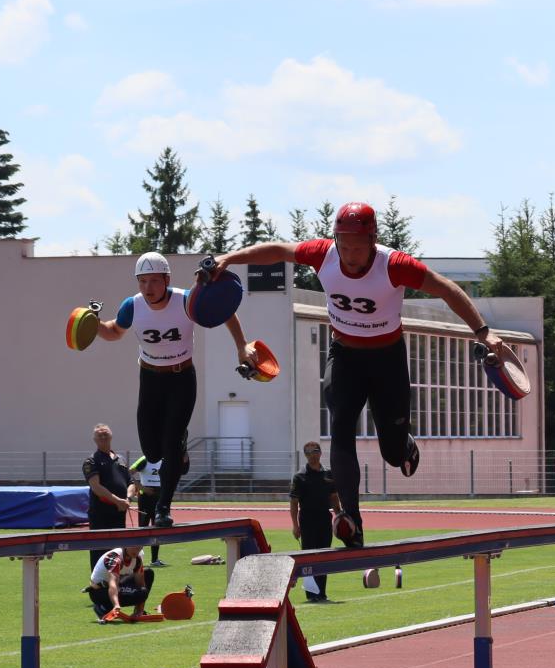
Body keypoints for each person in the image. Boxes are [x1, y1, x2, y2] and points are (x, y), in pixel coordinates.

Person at [205, 203, 510, 545]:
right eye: (344, 246)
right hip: (344, 355)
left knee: (392, 454)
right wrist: (228, 258)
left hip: (387, 360)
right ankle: (351, 516)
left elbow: (446, 288)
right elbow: (278, 250)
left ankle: (404, 446)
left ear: (373, 240)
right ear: (335, 239)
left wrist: (483, 332)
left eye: (357, 247)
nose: (349, 255)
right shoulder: (323, 254)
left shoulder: (394, 264)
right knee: (340, 427)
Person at [93, 251, 256, 527]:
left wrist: (241, 346)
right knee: (152, 451)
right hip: (150, 378)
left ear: (166, 280)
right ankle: (179, 449)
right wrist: (92, 324)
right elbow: (113, 330)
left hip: (181, 378)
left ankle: (163, 508)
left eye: (154, 281)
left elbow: (225, 312)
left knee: (169, 446)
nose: (148, 288)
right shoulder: (132, 305)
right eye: (142, 282)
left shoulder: (186, 300)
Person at [290, 441, 342, 602]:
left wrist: (339, 516)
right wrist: (295, 526)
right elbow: (294, 503)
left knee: (324, 555)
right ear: (305, 455)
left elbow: (333, 498)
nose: (313, 454)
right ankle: (311, 594)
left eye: (316, 451)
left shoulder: (328, 474)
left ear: (320, 453)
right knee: (309, 557)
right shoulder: (299, 476)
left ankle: (322, 593)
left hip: (324, 518)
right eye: (309, 452)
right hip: (307, 519)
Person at [84, 424, 131, 564]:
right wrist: (118, 501)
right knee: (100, 550)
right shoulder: (91, 461)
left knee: (118, 550)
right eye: (100, 435)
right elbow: (96, 487)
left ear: (111, 436)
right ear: (95, 439)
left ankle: (116, 581)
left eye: (106, 434)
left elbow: (131, 482)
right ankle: (97, 584)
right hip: (100, 514)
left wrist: (127, 499)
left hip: (119, 512)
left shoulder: (121, 459)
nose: (103, 437)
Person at [85, 544, 153, 622]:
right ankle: (103, 607)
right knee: (139, 592)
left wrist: (140, 611)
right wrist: (116, 605)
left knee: (148, 574)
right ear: (125, 545)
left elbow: (141, 584)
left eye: (139, 547)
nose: (137, 550)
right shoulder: (114, 557)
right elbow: (113, 583)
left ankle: (137, 611)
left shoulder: (139, 555)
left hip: (117, 583)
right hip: (99, 591)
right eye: (134, 546)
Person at [128, 456, 167, 568]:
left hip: (159, 498)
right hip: (145, 498)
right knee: (143, 529)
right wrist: (141, 487)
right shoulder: (144, 460)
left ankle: (155, 559)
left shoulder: (164, 460)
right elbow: (128, 473)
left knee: (157, 528)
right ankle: (135, 558)